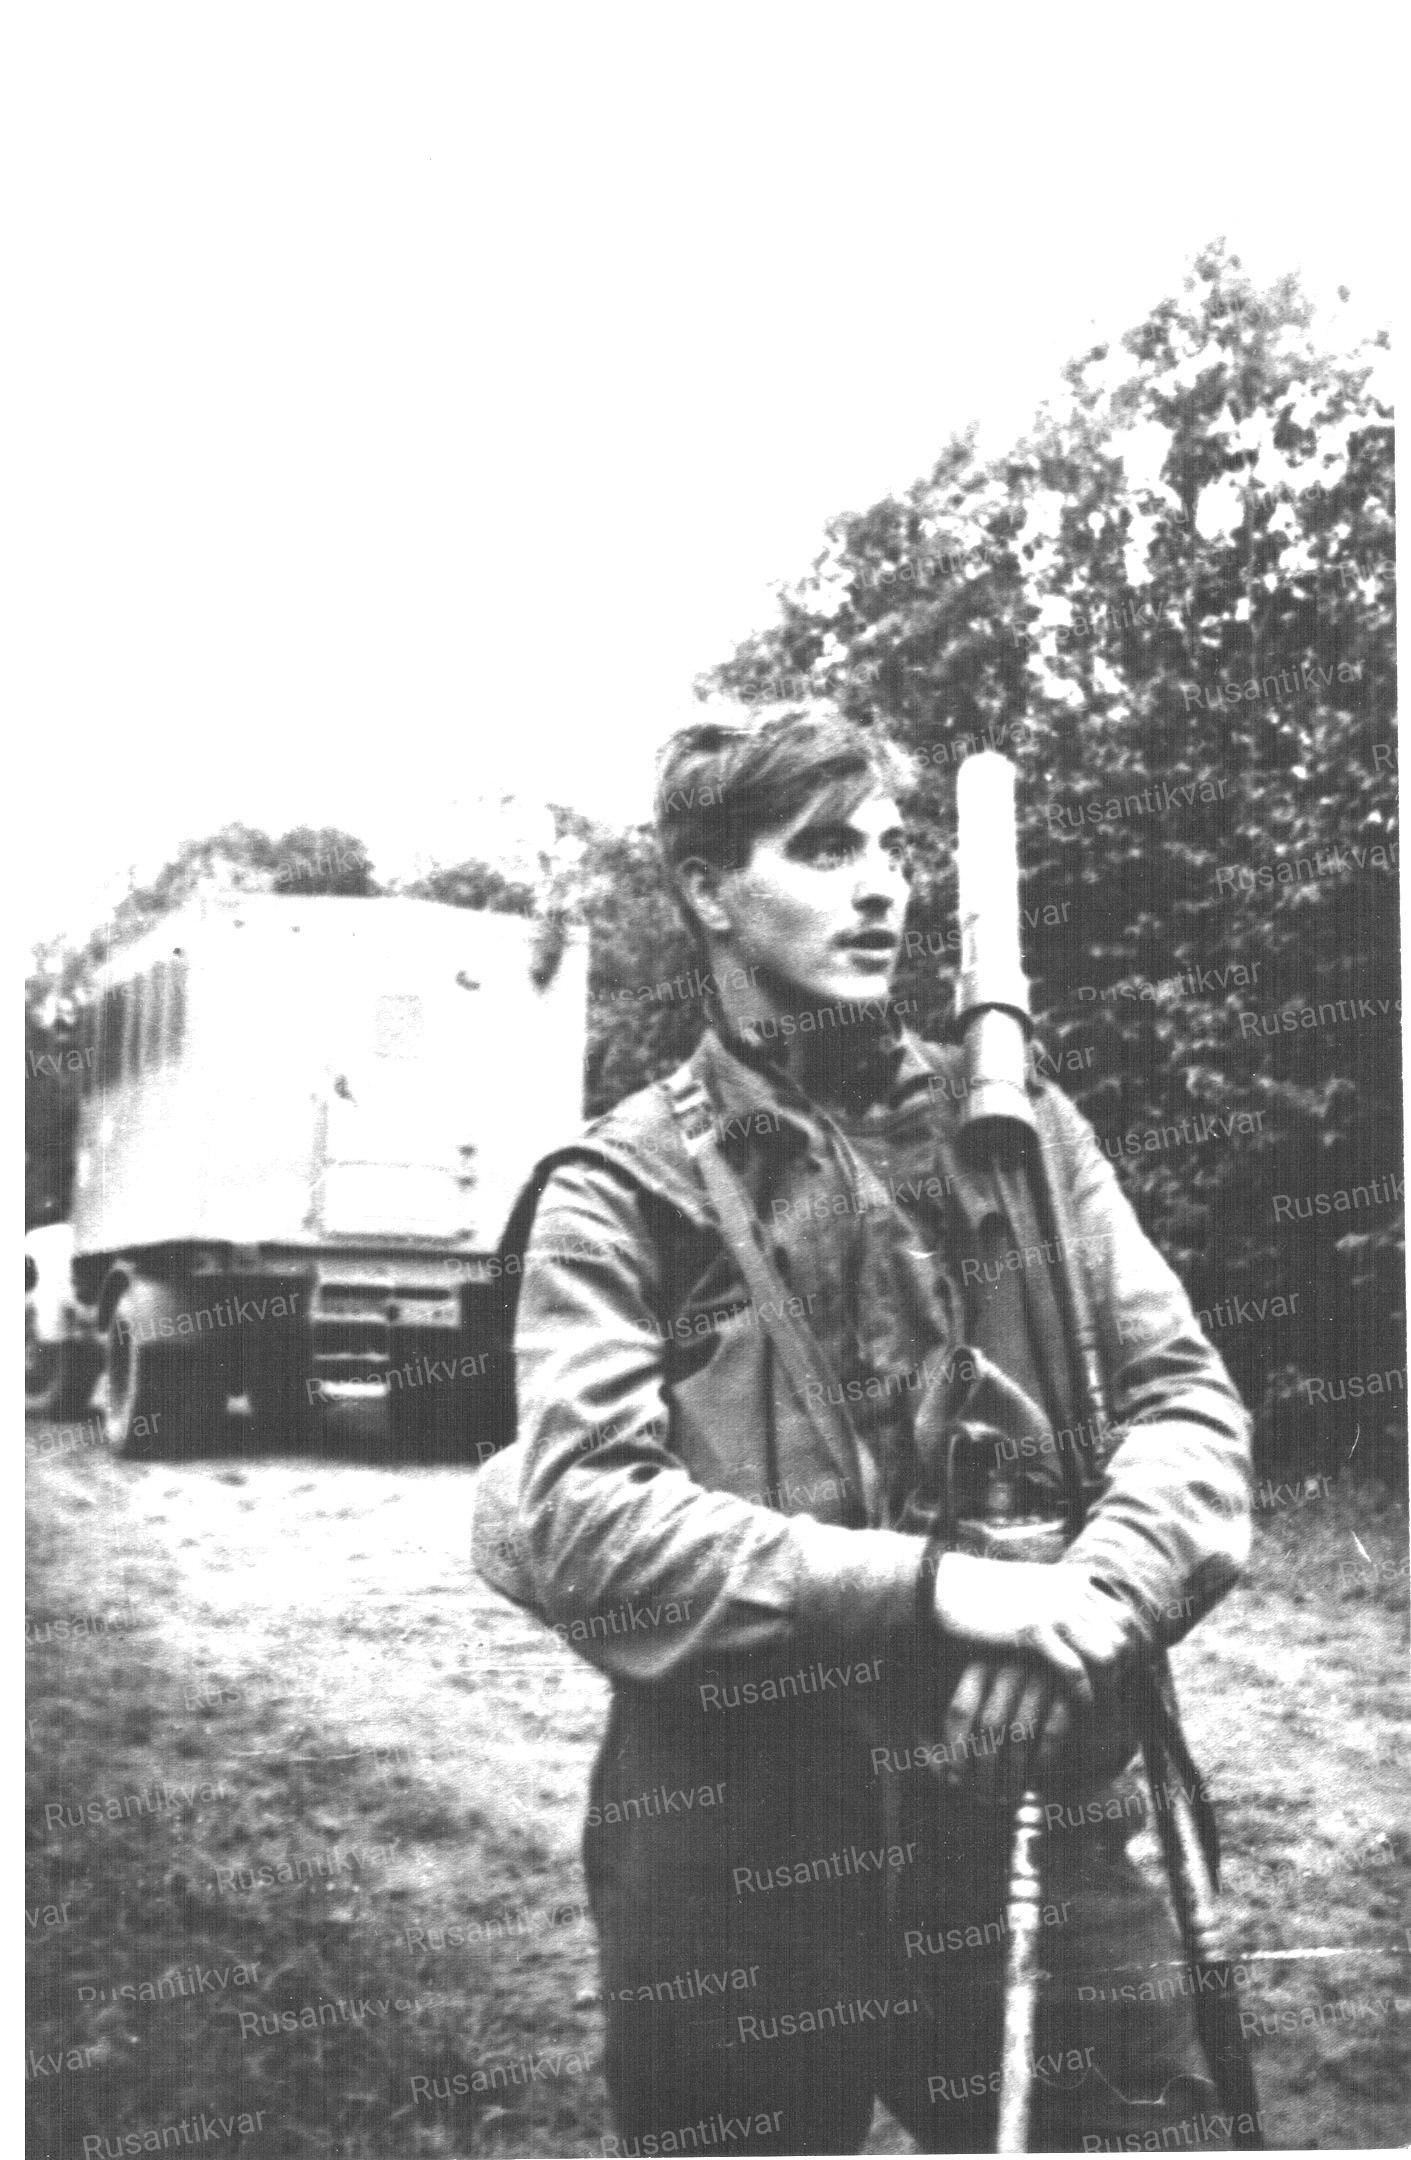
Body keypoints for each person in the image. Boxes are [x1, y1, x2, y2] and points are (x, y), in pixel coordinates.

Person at [481, 710, 1253, 2155]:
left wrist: (1087, 1601)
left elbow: (1189, 1409)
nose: (885, 886)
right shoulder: (619, 1187)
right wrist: (946, 1593)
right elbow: (584, 1517)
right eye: (827, 850)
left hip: (1032, 1806)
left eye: (894, 850)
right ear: (709, 889)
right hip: (737, 1847)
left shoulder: (1019, 1131)